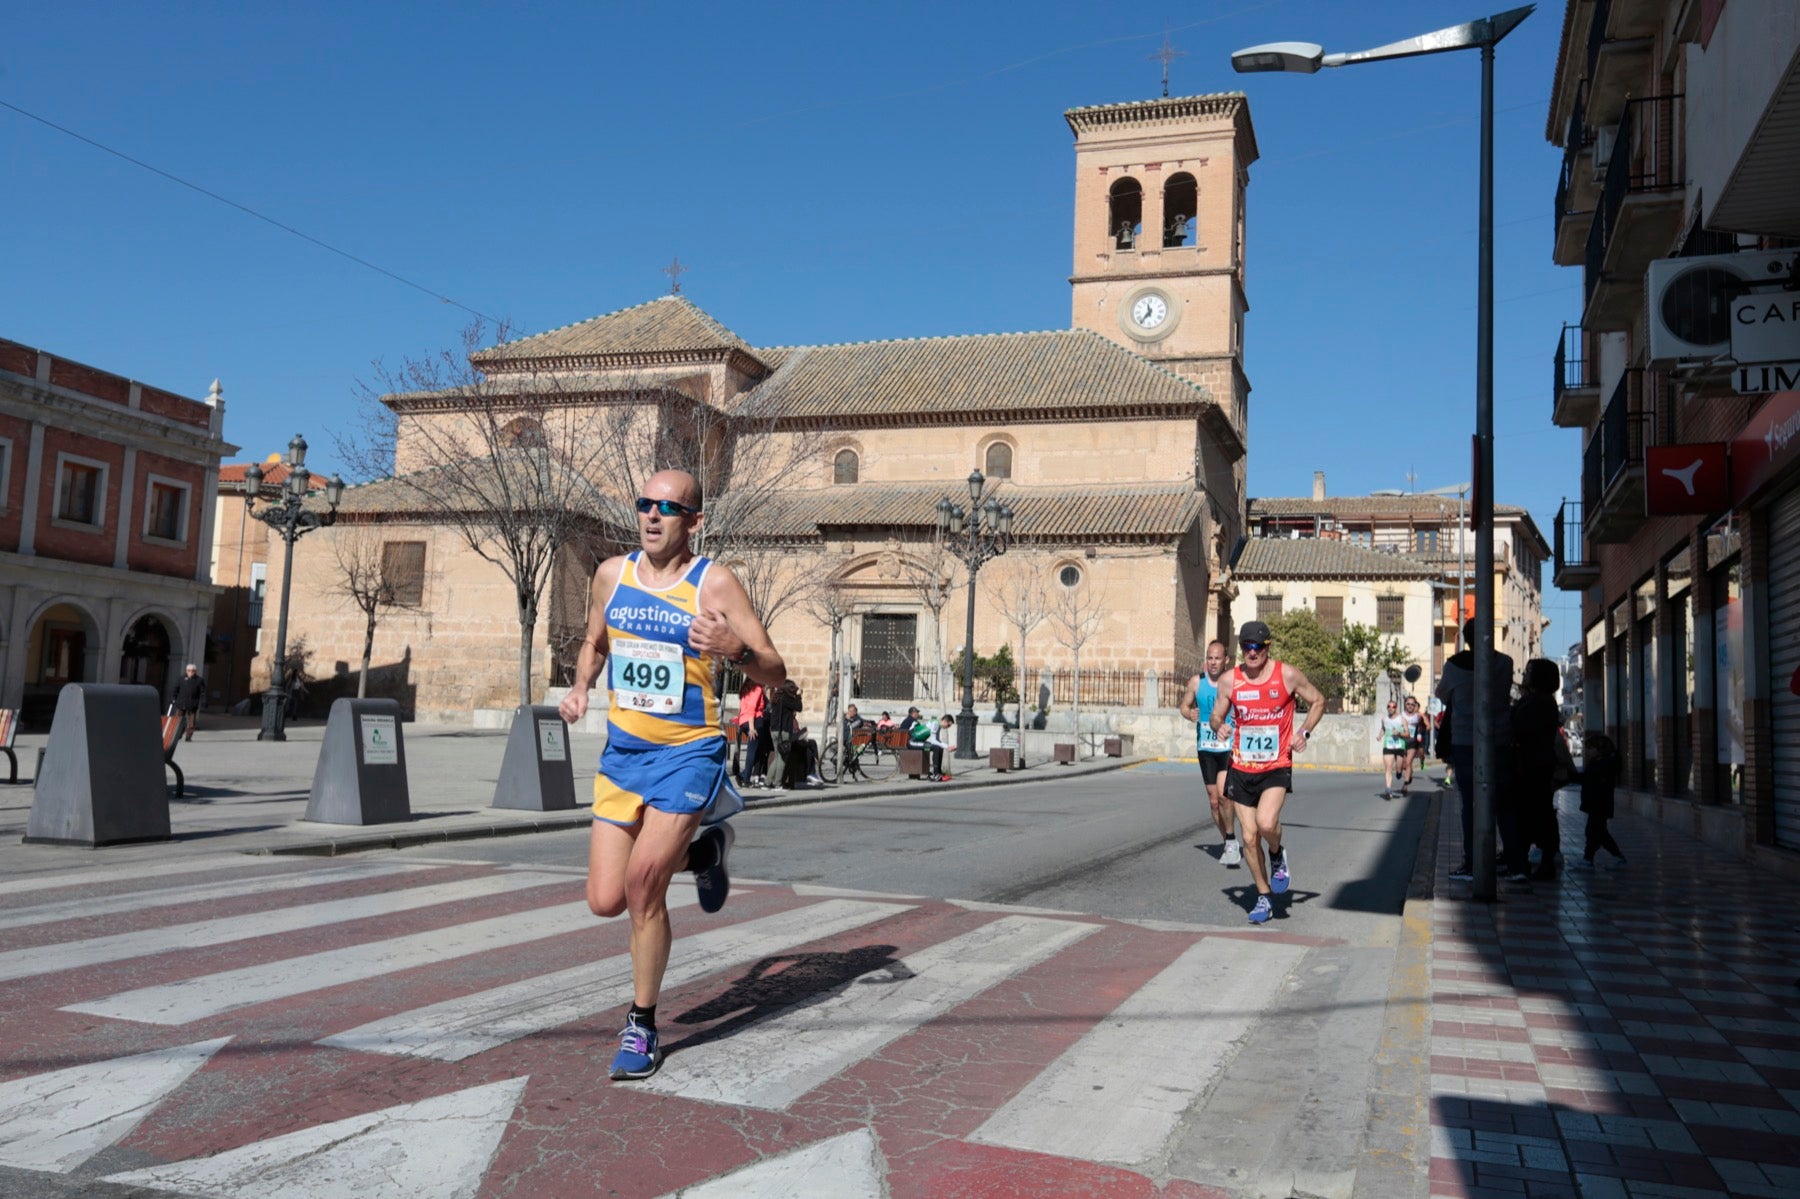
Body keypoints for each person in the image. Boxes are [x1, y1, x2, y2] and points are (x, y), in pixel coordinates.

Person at [558, 469, 785, 1083]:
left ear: (695, 520)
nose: (652, 516)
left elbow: (776, 671)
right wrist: (580, 688)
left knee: (642, 887)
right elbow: (595, 641)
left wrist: (732, 650)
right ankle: (707, 849)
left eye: (668, 507)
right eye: (644, 505)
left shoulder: (714, 583)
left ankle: (641, 1024)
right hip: (624, 756)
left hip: (689, 752)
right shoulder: (612, 574)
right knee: (604, 900)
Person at [1209, 620, 1326, 925]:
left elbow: (1318, 700)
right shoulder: (1229, 681)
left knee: (1265, 822)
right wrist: (1219, 726)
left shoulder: (1285, 675)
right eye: (1246, 647)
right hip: (1241, 765)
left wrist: (1304, 732)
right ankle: (1264, 896)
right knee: (1248, 837)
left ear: (1267, 648)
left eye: (1257, 647)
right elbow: (1215, 716)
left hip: (1276, 764)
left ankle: (1276, 853)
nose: (1252, 653)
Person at [1435, 618, 1518, 883]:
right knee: (1505, 803)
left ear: (1466, 638)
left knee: (1470, 804)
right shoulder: (1505, 664)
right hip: (1500, 740)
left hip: (1464, 741)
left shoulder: (1454, 666)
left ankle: (1473, 863)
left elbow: (1443, 695)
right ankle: (1516, 864)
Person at [1178, 640, 1239, 865]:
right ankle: (1229, 842)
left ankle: (1231, 839)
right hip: (1205, 747)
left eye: (1217, 658)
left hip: (1227, 746)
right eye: (1209, 658)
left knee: (1224, 795)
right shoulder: (1196, 682)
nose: (1213, 662)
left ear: (1226, 660)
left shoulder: (1233, 682)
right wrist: (1189, 713)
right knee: (1214, 801)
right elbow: (1184, 706)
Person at [1510, 658, 1565, 881]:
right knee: (1534, 814)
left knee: (1531, 815)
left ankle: (1532, 864)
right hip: (1534, 764)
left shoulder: (1539, 702)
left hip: (1533, 766)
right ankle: (1526, 862)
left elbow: (1521, 726)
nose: (1524, 673)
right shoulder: (1538, 700)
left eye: (1529, 671)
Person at [1573, 732, 1625, 869]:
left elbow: (1599, 785)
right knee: (1597, 832)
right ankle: (1607, 857)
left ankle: (1590, 858)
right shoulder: (1597, 763)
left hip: (1599, 805)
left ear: (1599, 749)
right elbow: (1586, 779)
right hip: (1595, 805)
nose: (1586, 751)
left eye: (1589, 748)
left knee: (1595, 831)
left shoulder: (1604, 765)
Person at [764, 679, 804, 792]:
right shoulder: (787, 699)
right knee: (782, 758)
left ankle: (767, 783)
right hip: (784, 731)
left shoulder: (776, 698)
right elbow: (799, 707)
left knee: (777, 757)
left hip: (774, 730)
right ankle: (777, 784)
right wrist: (799, 696)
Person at [1380, 700, 1410, 800]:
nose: (1391, 708)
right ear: (1387, 707)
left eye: (1393, 706)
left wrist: (1399, 734)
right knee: (1388, 768)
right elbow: (1383, 728)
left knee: (1398, 768)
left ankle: (1399, 772)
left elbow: (1407, 734)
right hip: (1388, 745)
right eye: (1389, 706)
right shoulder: (1384, 719)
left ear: (1396, 707)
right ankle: (1388, 790)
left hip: (1399, 746)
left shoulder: (1402, 720)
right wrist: (1380, 736)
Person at [171, 663, 206, 741]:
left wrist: (203, 700)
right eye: (189, 670)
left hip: (192, 703)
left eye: (193, 671)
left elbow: (203, 691)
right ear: (186, 671)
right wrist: (173, 698)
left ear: (195, 671)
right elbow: (175, 689)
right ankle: (178, 735)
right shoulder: (181, 679)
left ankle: (188, 736)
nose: (191, 672)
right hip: (181, 703)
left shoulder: (199, 680)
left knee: (191, 722)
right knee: (178, 720)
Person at [1403, 696, 1430, 789]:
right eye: (1409, 705)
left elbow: (1428, 726)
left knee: (1421, 753)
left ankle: (1422, 761)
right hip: (1408, 740)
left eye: (1414, 706)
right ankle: (1409, 772)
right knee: (1406, 763)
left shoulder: (1421, 716)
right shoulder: (1405, 715)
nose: (1414, 708)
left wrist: (1423, 731)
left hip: (1419, 738)